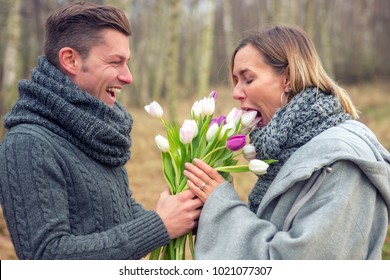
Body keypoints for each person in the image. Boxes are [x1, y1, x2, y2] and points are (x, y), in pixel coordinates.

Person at [0, 2, 202, 260]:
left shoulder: (97, 132)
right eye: (115, 62)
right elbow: (46, 257)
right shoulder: (27, 144)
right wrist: (159, 225)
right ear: (70, 60)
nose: (128, 77)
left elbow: (116, 214)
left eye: (126, 62)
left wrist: (186, 214)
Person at [184, 25, 390, 259]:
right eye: (235, 81)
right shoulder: (289, 150)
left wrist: (223, 208)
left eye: (248, 79)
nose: (236, 93)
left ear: (288, 79)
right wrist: (209, 212)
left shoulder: (342, 164)